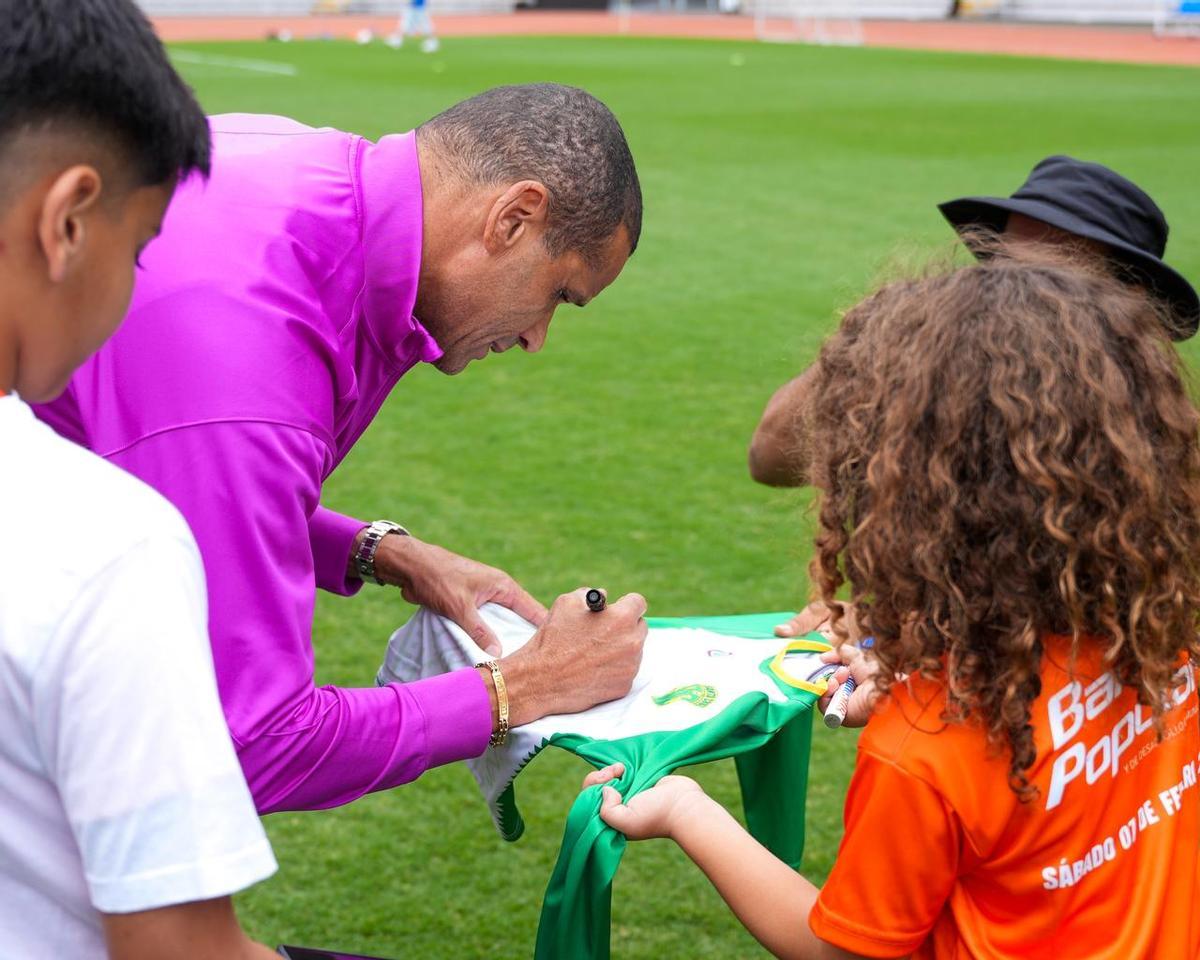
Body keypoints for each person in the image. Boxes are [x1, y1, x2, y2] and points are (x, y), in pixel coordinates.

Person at [35, 83, 650, 815]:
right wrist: (525, 686)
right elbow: (252, 744)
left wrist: (376, 551)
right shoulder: (257, 359)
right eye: (559, 294)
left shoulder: (297, 162)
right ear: (513, 218)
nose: (536, 338)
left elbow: (175, 476)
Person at [586, 250, 1200, 958]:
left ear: (913, 494)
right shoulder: (1161, 635)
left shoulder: (925, 748)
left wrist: (687, 811)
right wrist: (917, 670)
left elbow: (839, 951)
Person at [0, 1, 279, 957]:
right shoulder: (102, 545)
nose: (133, 285)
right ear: (68, 220)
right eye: (142, 245)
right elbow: (178, 949)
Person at [751, 155, 1200, 639]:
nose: (1019, 297)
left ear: (1128, 302)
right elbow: (769, 457)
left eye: (1052, 282)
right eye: (1004, 270)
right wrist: (871, 336)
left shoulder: (1169, 441)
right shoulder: (950, 387)